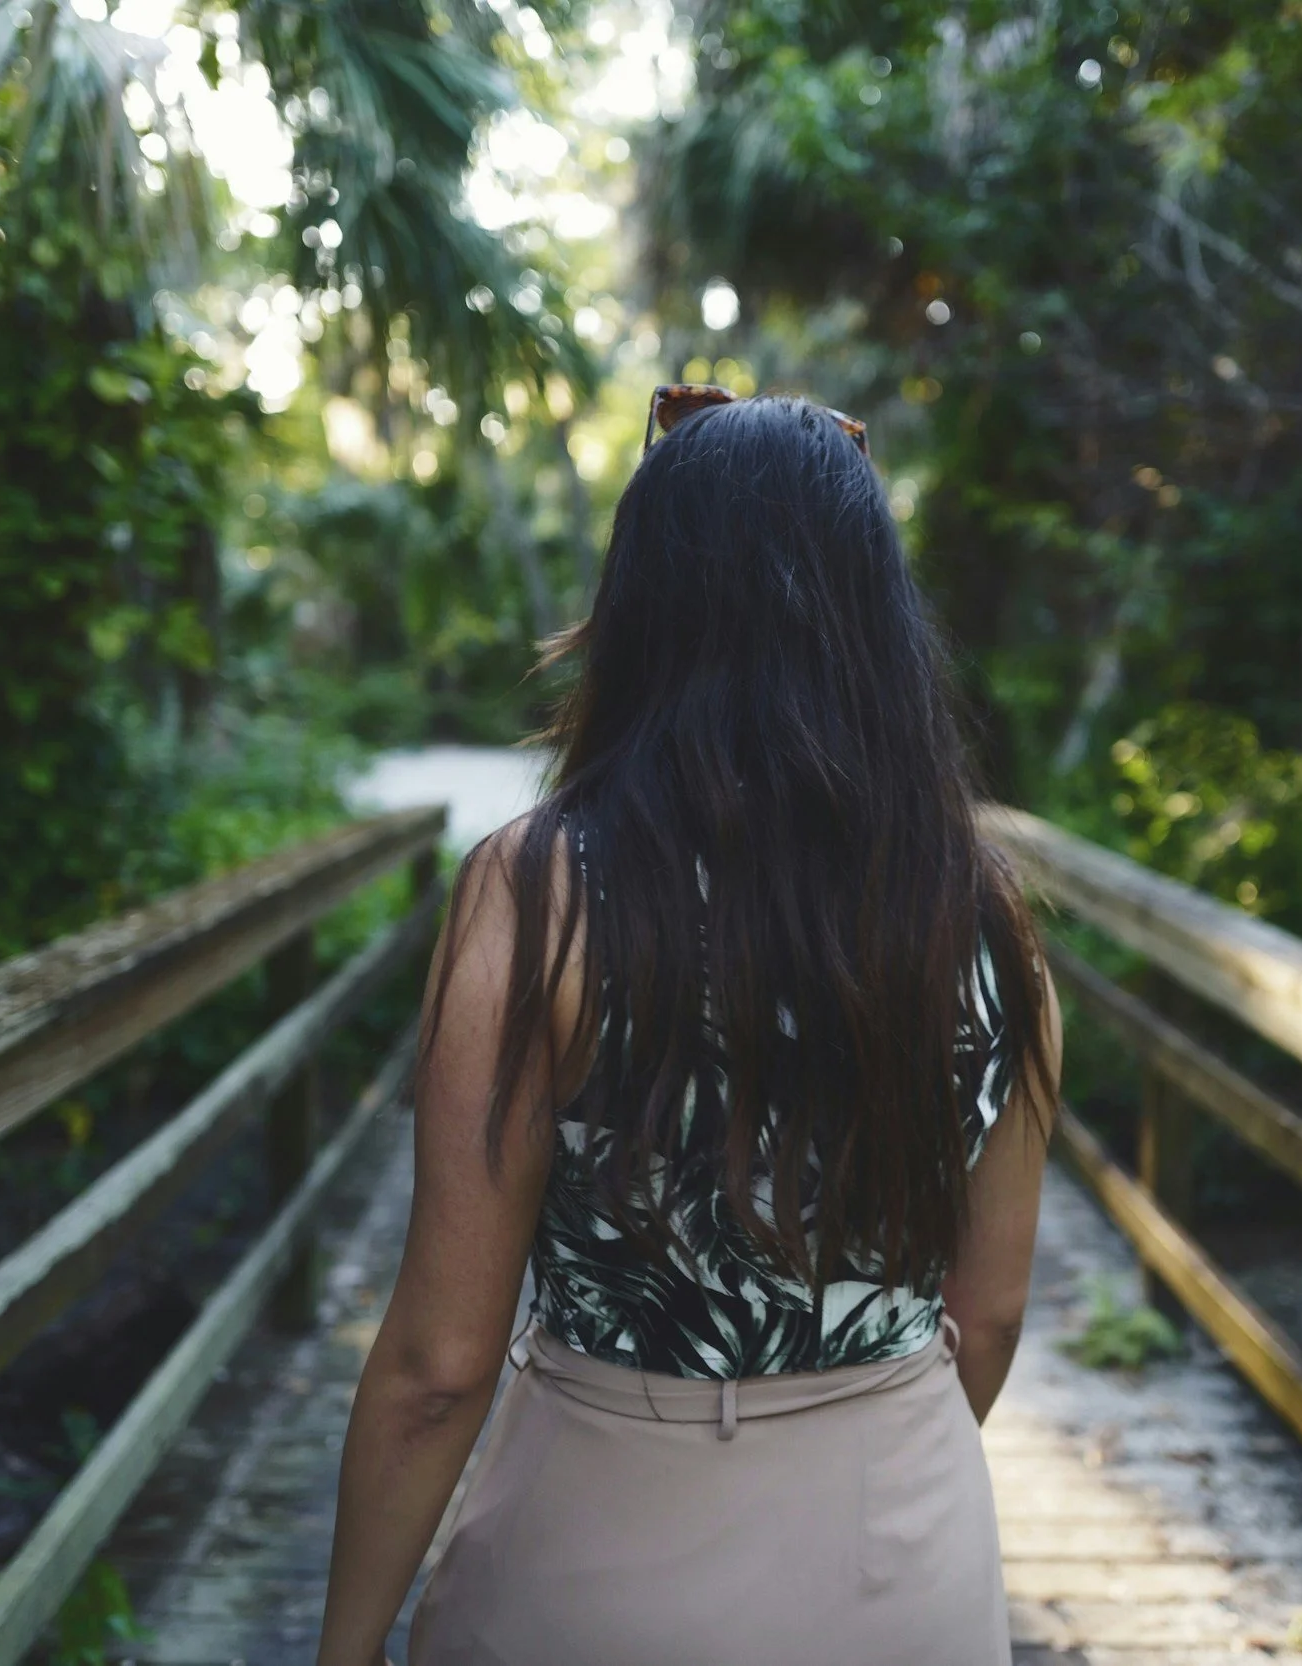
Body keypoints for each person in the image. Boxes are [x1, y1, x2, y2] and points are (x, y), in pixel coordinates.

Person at [312, 387, 1063, 1666]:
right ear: (874, 625)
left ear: (642, 612)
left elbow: (443, 1363)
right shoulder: (985, 919)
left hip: (600, 1554)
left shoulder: (540, 892)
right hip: (904, 1560)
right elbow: (984, 1317)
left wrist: (345, 1646)